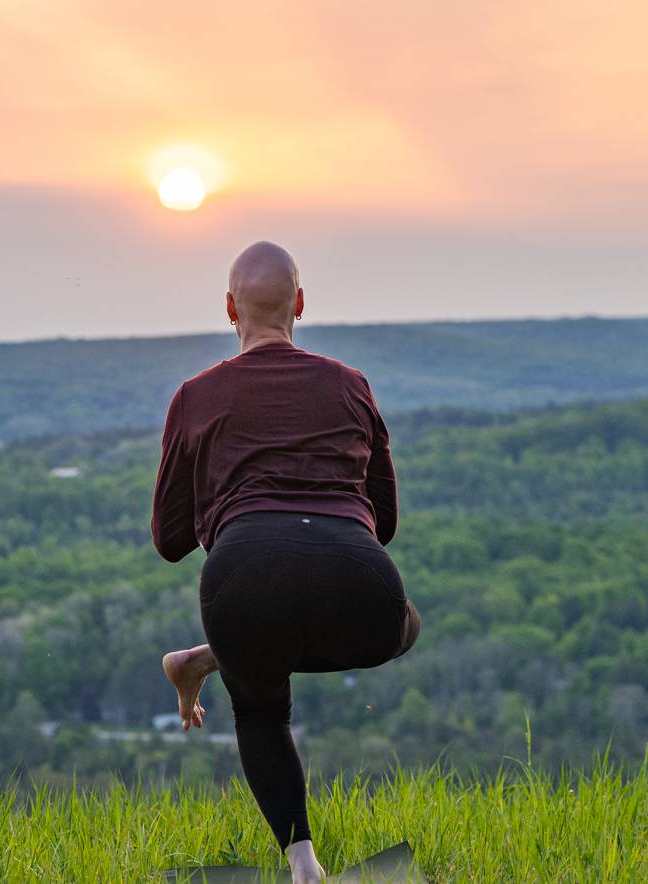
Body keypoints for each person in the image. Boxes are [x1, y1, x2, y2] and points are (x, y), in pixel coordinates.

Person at [151, 241, 421, 883]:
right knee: (402, 624)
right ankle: (219, 653)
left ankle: (303, 864)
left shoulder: (195, 396)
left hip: (243, 581)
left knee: (262, 705)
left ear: (228, 309)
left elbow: (168, 539)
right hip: (359, 579)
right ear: (300, 303)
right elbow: (383, 524)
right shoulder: (351, 384)